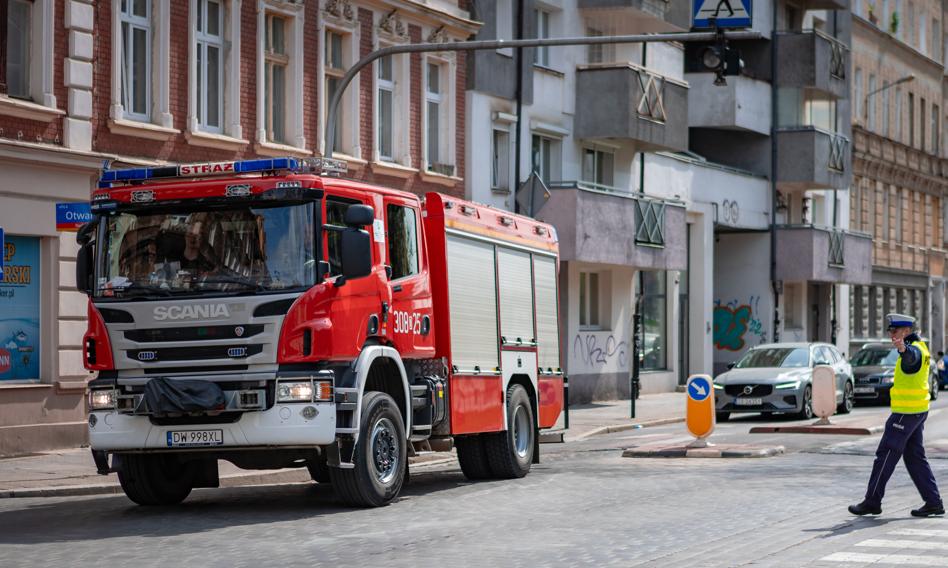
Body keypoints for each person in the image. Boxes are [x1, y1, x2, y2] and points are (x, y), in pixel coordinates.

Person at [849, 314, 944, 517]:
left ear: (906, 332)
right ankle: (934, 502)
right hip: (917, 412)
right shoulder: (923, 348)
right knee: (915, 457)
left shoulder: (914, 351)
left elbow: (910, 358)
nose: (891, 334)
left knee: (885, 454)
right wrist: (903, 349)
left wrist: (902, 349)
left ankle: (872, 501)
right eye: (890, 331)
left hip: (905, 414)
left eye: (895, 331)